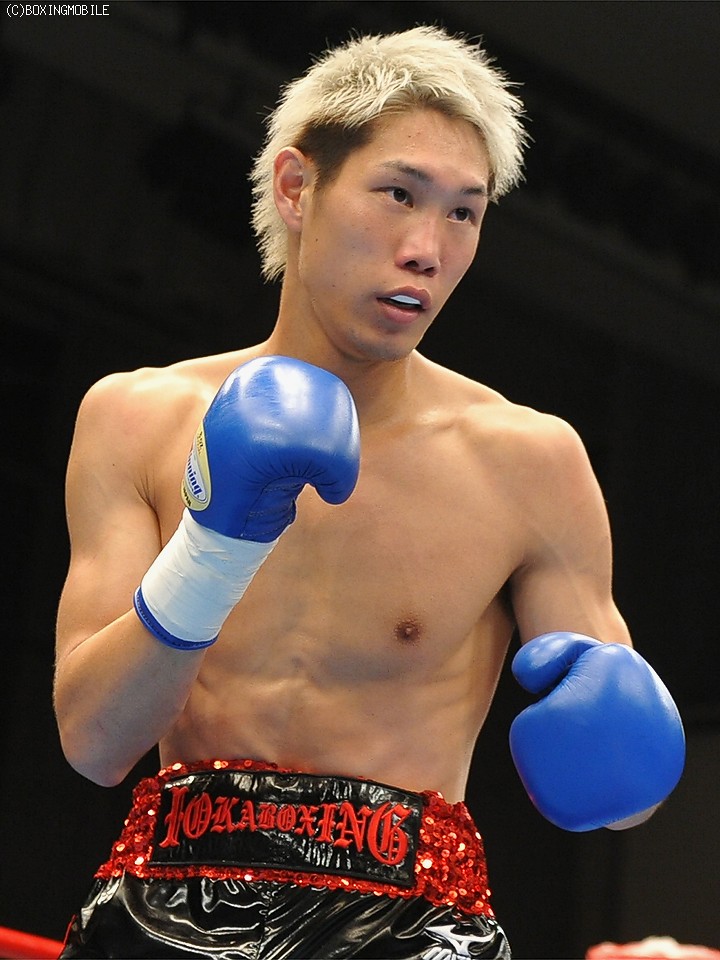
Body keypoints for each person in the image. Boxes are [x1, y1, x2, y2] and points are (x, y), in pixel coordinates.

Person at [55, 25, 685, 960]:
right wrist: (216, 545)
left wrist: (627, 760)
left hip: (410, 931)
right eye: (399, 194)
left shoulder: (528, 462)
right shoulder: (136, 420)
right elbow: (93, 741)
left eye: (464, 213)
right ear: (296, 187)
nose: (426, 248)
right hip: (165, 914)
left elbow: (618, 785)